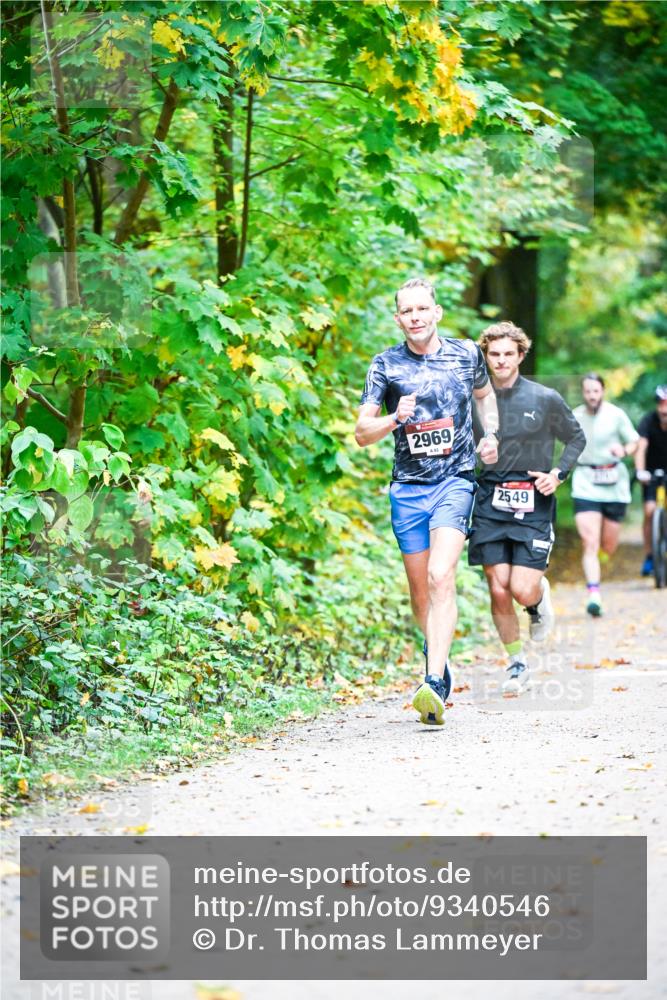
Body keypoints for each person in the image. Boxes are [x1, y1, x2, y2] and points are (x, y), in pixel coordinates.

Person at [355, 278, 499, 725]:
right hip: (408, 489)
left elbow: (485, 397)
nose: (415, 317)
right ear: (398, 319)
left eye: (422, 309)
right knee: (420, 592)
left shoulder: (466, 354)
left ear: (437, 312)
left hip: (454, 481)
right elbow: (362, 433)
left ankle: (433, 681)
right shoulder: (385, 366)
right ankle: (437, 655)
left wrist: (491, 433)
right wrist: (393, 419)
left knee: (441, 575)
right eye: (407, 311)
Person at [468, 322, 586, 692]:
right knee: (497, 586)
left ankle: (536, 602)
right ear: (486, 357)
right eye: (494, 354)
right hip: (490, 500)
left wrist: (558, 474)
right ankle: (516, 664)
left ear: (521, 355)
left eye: (508, 354)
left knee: (520, 588)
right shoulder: (473, 400)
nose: (501, 360)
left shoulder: (544, 398)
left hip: (533, 500)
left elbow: (576, 438)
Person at [571, 373, 639, 616]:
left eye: (596, 391)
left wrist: (624, 450)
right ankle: (594, 594)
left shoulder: (616, 415)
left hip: (614, 483)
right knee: (589, 542)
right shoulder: (575, 416)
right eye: (588, 391)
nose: (592, 396)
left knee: (608, 546)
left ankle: (599, 558)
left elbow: (634, 442)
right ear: (583, 393)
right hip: (585, 481)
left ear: (603, 391)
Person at [635, 386, 667, 576]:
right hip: (651, 473)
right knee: (649, 511)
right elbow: (641, 448)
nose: (664, 409)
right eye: (661, 404)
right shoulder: (648, 420)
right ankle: (649, 556)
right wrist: (640, 471)